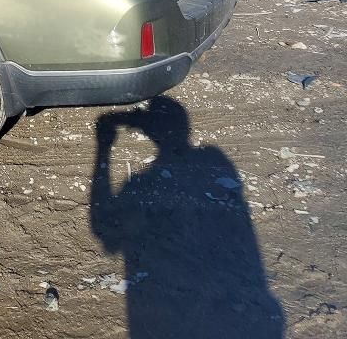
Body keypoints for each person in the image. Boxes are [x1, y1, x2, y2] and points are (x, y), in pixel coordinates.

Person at [90, 96, 284, 338]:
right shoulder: (215, 160)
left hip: (160, 310)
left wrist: (104, 148)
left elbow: (104, 231)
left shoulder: (140, 183)